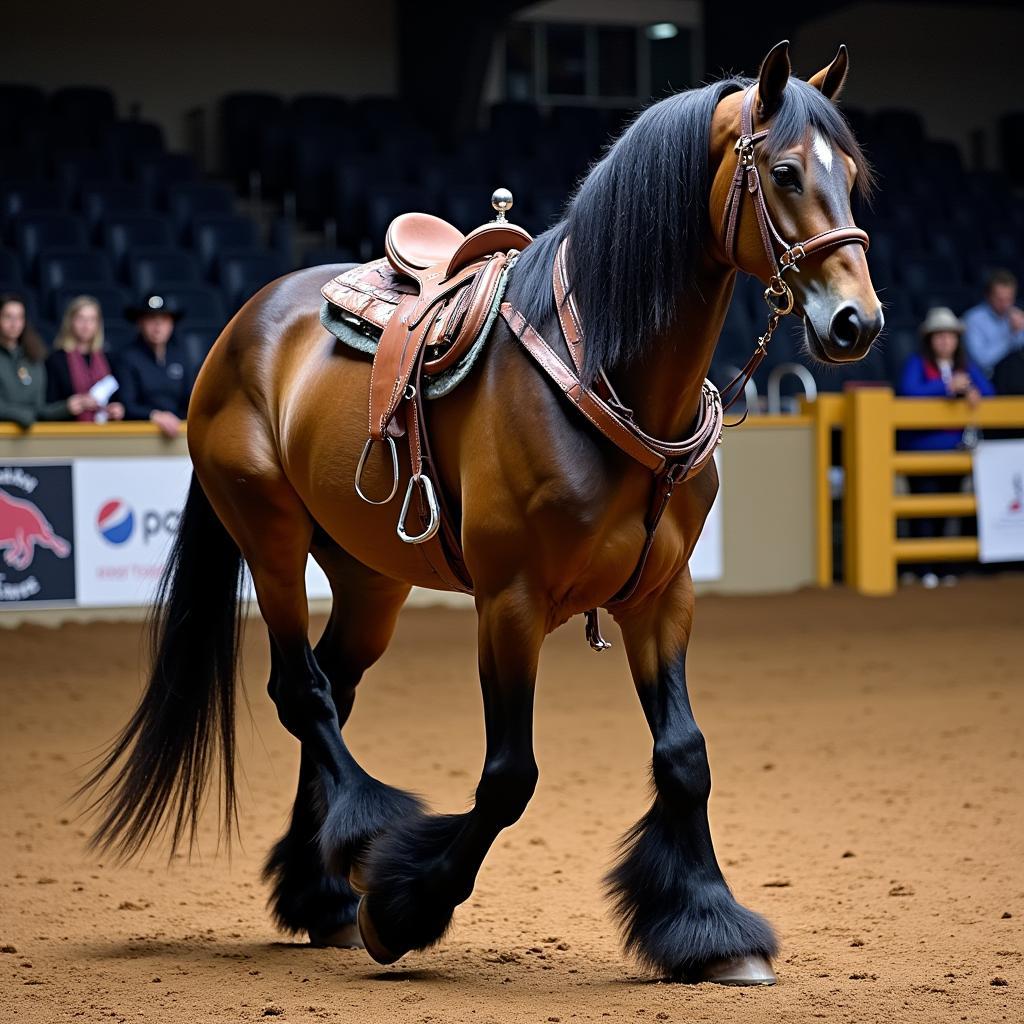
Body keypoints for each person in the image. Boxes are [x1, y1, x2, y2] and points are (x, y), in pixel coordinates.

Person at [897, 307, 994, 588]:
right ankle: (921, 567)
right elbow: (909, 392)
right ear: (930, 340)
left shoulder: (966, 366)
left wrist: (971, 390)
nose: (944, 341)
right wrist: (946, 387)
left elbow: (989, 392)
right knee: (924, 511)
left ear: (956, 340)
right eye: (939, 336)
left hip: (954, 452)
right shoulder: (917, 364)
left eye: (949, 336)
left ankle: (941, 567)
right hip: (921, 452)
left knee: (946, 511)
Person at [0, 293, 96, 428]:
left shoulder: (33, 357)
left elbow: (41, 410)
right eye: (8, 316)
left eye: (19, 317)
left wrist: (67, 406)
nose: (14, 323)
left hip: (34, 436)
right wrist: (22, 415)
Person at [115, 294, 196, 438]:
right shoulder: (127, 357)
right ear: (140, 323)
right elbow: (126, 405)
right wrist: (155, 416)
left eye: (164, 319)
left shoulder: (180, 356)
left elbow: (190, 401)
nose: (157, 326)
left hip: (179, 432)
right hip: (139, 435)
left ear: (171, 324)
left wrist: (177, 420)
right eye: (151, 319)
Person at [46, 295, 125, 422]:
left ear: (98, 324)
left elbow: (118, 399)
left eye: (92, 319)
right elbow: (48, 406)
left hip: (105, 432)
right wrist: (68, 406)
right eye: (80, 318)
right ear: (70, 321)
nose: (86, 325)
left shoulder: (110, 359)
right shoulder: (56, 360)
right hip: (68, 433)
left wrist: (116, 409)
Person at [962, 268, 1024, 378]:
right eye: (1000, 299)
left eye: (1009, 299)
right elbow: (982, 361)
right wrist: (1011, 334)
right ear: (988, 296)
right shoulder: (973, 320)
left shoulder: (1016, 316)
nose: (1005, 304)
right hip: (984, 379)